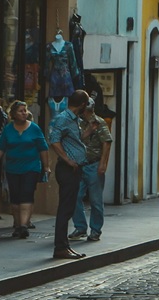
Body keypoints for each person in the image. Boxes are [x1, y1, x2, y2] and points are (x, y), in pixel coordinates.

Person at [0, 100, 49, 240]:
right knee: (15, 197)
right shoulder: (8, 130)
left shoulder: (34, 128)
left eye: (25, 110)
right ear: (13, 114)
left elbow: (43, 148)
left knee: (26, 194)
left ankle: (23, 226)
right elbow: (0, 148)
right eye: (20, 111)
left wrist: (46, 166)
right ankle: (17, 225)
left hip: (31, 167)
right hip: (13, 168)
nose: (24, 113)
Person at [46, 89, 91, 260]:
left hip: (74, 168)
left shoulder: (73, 120)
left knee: (69, 207)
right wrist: (67, 160)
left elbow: (74, 141)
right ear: (82, 104)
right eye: (86, 104)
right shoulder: (63, 118)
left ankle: (65, 245)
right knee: (65, 208)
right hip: (67, 169)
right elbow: (54, 140)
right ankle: (60, 247)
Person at [68, 96, 112, 243]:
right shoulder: (78, 123)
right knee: (75, 197)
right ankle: (80, 227)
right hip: (80, 165)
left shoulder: (98, 122)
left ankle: (95, 230)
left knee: (95, 200)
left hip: (93, 164)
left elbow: (106, 143)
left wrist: (103, 163)